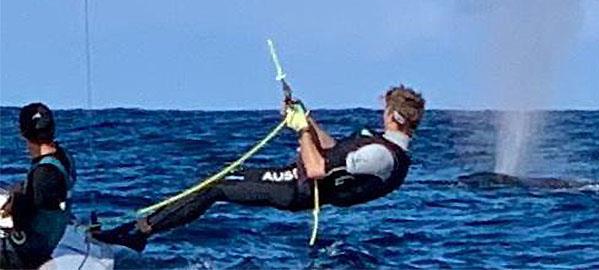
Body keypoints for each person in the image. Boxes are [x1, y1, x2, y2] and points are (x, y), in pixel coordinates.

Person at [93, 85, 425, 252]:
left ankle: (138, 235)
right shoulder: (380, 148)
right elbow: (331, 151)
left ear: (395, 117)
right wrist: (305, 118)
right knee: (218, 181)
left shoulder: (383, 156)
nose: (382, 114)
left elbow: (317, 168)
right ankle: (137, 230)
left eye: (385, 110)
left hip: (295, 188)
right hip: (294, 183)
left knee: (215, 187)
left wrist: (299, 130)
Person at [0, 103, 77, 270]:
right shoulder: (63, 158)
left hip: (23, 254)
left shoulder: (44, 174)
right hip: (46, 244)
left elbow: (21, 218)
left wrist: (14, 204)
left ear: (22, 133)